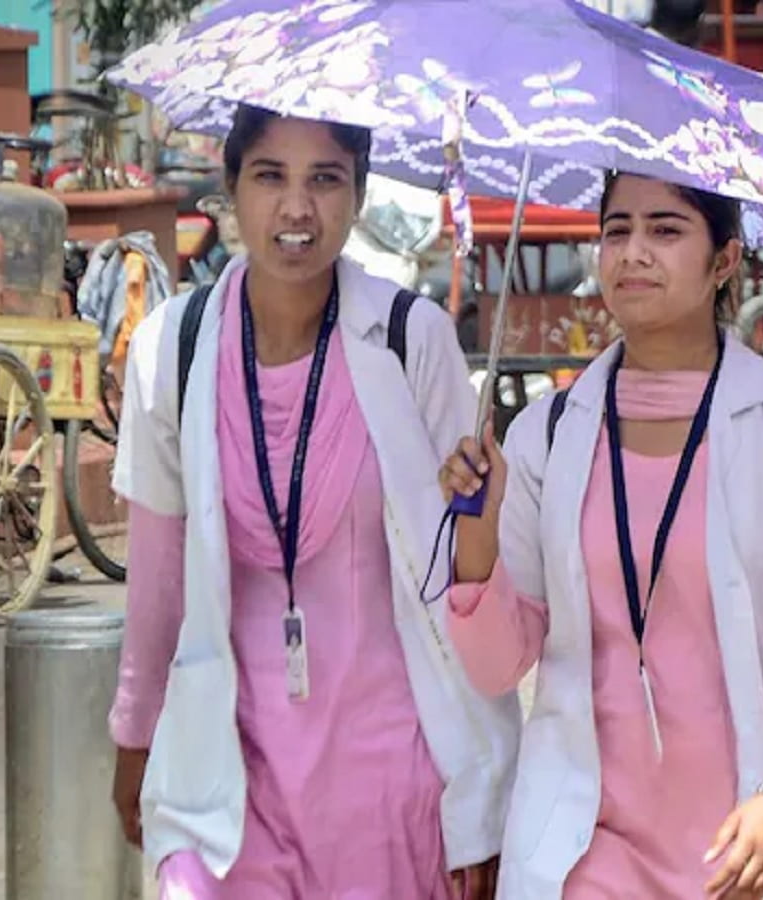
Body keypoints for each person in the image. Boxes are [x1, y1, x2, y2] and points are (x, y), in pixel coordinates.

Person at [107, 104, 520, 899]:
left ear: (358, 196)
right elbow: (156, 577)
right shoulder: (173, 347)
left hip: (392, 782)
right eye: (270, 176)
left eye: (325, 180)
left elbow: (460, 580)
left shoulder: (410, 338)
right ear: (231, 187)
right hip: (227, 771)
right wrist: (135, 734)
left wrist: (482, 795)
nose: (297, 209)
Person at [436, 171, 763, 898]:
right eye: (617, 231)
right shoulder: (549, 430)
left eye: (666, 230)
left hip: (741, 845)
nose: (633, 252)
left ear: (725, 260)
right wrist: (475, 544)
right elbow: (496, 667)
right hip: (580, 851)